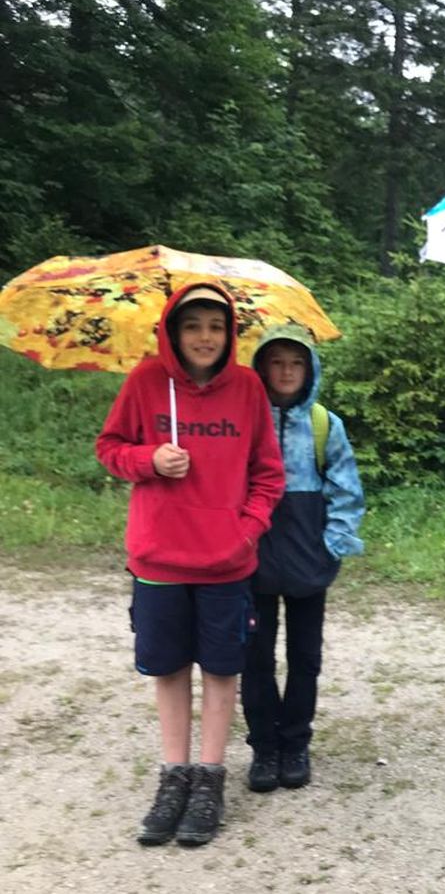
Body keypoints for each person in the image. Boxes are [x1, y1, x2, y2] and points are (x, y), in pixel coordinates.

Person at [96, 283, 285, 846]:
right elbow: (109, 448)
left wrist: (244, 531)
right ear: (172, 331)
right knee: (170, 667)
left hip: (225, 562)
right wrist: (147, 458)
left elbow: (268, 474)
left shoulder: (248, 388)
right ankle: (173, 776)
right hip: (158, 559)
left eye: (216, 326)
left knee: (223, 668)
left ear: (230, 334)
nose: (205, 337)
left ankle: (209, 779)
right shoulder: (146, 382)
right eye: (193, 326)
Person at [241, 325, 365, 793]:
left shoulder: (323, 424)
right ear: (261, 368)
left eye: (296, 362)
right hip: (251, 556)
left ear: (310, 369)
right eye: (277, 362)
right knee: (254, 657)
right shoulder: (243, 420)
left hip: (308, 556)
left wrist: (334, 544)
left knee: (305, 657)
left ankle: (295, 743)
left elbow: (346, 490)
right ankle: (264, 748)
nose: (287, 371)